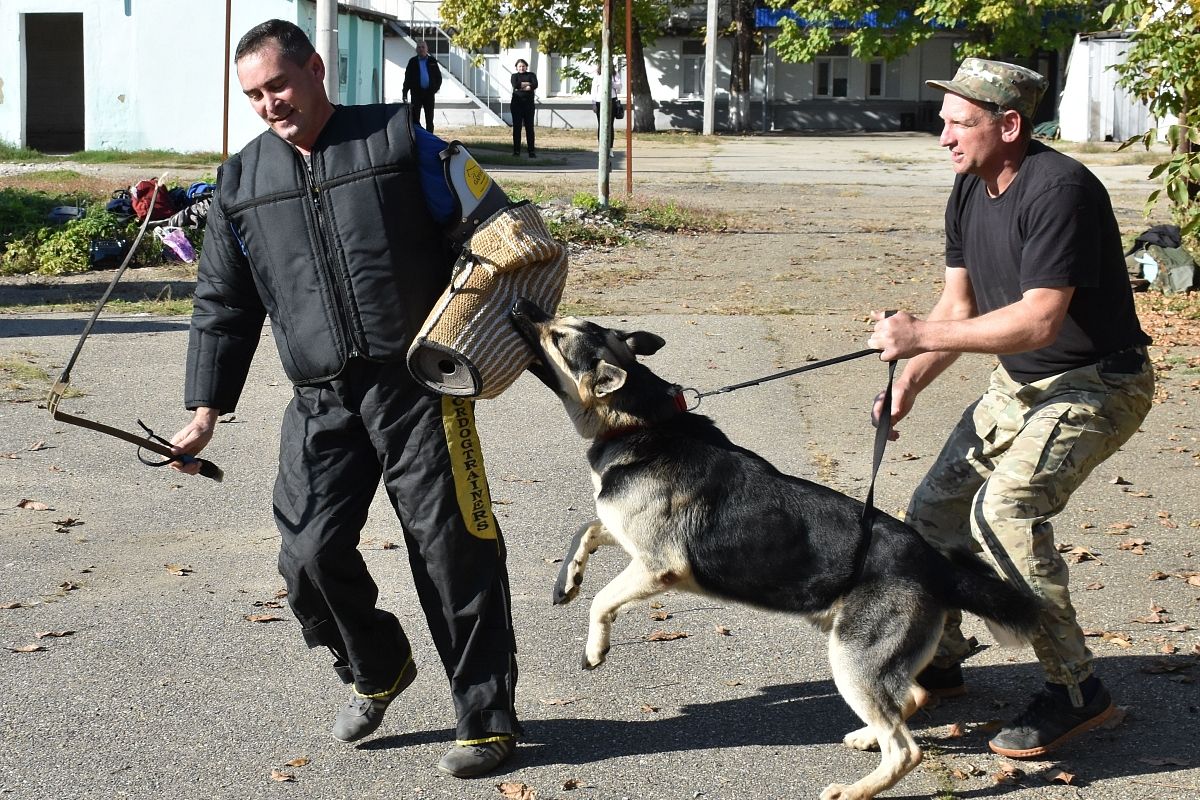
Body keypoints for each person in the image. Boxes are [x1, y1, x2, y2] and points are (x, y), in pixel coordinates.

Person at [169, 19, 522, 779]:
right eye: (254, 95)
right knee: (307, 553)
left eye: (279, 86)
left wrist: (499, 327)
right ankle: (378, 662)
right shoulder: (241, 182)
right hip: (321, 399)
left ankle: (486, 719)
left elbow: (501, 234)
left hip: (420, 390)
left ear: (316, 70)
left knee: (454, 550)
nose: (269, 105)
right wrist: (205, 408)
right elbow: (223, 305)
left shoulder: (401, 143)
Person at [867, 58, 1154, 760]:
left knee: (1006, 511)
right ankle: (942, 654)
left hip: (1098, 383)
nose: (944, 138)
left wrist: (918, 337)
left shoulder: (1061, 191)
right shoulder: (968, 188)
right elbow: (959, 308)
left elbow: (1038, 322)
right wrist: (909, 382)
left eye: (960, 123)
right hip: (1018, 384)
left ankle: (1078, 691)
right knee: (931, 517)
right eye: (945, 122)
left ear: (1011, 125)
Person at [403, 41, 442, 132]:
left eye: (423, 47)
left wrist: (434, 89)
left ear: (426, 49)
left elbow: (438, 78)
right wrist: (404, 93)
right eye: (419, 47)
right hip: (416, 94)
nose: (421, 49)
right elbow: (407, 78)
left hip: (429, 94)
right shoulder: (412, 62)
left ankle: (430, 139)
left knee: (429, 118)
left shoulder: (432, 61)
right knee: (415, 118)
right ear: (416, 49)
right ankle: (416, 138)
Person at [590, 62, 623, 154]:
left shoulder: (614, 74)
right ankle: (601, 149)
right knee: (601, 125)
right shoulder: (597, 74)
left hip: (611, 100)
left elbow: (619, 86)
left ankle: (610, 148)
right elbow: (594, 89)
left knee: (610, 125)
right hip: (599, 101)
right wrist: (593, 103)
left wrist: (610, 82)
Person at [509, 59, 537, 158]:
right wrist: (527, 84)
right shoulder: (514, 76)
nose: (521, 68)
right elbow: (515, 85)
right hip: (516, 105)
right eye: (520, 66)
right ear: (516, 67)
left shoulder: (531, 75)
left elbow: (535, 84)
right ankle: (516, 151)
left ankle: (531, 151)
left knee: (529, 128)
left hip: (529, 106)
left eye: (523, 66)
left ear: (526, 67)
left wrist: (522, 86)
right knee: (517, 128)